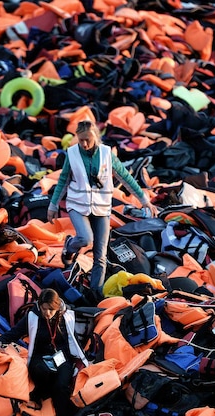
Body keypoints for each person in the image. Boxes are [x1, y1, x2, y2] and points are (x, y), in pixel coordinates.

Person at [46, 120, 156, 296]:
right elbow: (63, 181)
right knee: (85, 238)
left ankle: (95, 294)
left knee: (101, 255)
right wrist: (53, 205)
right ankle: (69, 247)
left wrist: (144, 199)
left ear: (96, 136)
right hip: (77, 205)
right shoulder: (72, 153)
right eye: (80, 140)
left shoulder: (107, 154)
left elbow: (125, 177)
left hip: (101, 208)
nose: (84, 144)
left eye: (87, 139)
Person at [0, 288, 87, 416]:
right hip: (40, 355)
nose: (47, 313)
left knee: (60, 386)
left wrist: (85, 360)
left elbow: (74, 340)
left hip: (62, 357)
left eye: (51, 310)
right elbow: (15, 332)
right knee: (41, 371)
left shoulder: (66, 316)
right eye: (44, 309)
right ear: (39, 306)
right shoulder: (32, 316)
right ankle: (43, 395)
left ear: (57, 307)